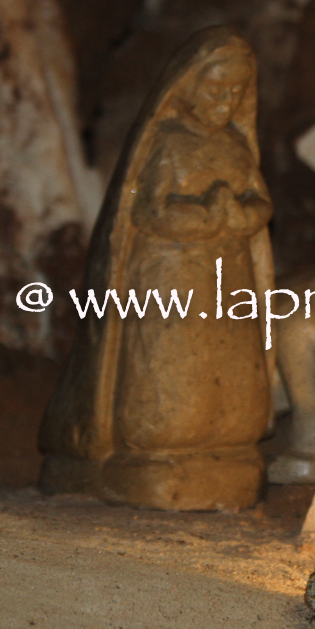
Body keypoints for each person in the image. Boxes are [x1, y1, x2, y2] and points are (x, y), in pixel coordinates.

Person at [39, 27, 274, 510]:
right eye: (215, 89)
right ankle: (150, 453)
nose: (225, 102)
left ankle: (227, 447)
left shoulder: (235, 146)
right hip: (172, 278)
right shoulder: (166, 143)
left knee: (231, 382)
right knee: (172, 380)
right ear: (186, 86)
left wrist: (241, 214)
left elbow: (260, 201)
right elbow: (147, 212)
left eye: (236, 92)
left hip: (227, 278)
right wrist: (208, 215)